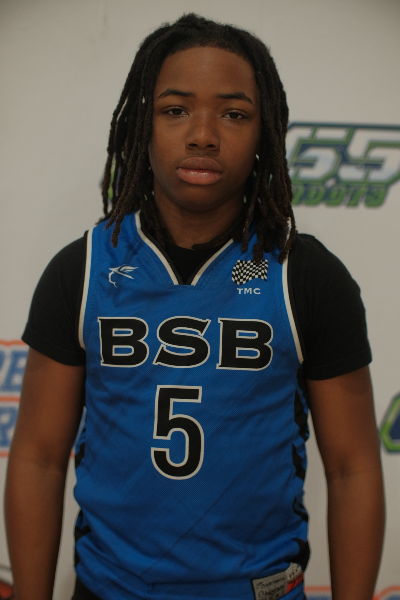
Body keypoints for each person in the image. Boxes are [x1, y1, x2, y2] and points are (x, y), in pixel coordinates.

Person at [5, 13, 384, 600]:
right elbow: (38, 457)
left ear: (265, 132)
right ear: (143, 124)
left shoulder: (304, 276)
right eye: (176, 109)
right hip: (110, 589)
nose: (203, 134)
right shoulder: (83, 270)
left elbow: (353, 468)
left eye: (234, 114)